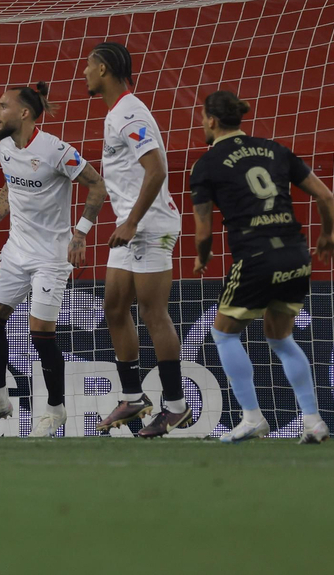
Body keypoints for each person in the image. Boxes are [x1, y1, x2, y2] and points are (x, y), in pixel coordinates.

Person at [189, 91, 334, 444]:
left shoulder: (206, 165)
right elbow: (326, 195)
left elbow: (204, 231)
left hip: (256, 256)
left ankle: (252, 417)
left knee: (224, 333)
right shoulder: (275, 149)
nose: (202, 123)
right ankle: (314, 421)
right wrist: (328, 235)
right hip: (295, 253)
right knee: (280, 337)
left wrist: (202, 256)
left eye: (203, 118)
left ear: (212, 120)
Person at [0, 84, 108, 438]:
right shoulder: (4, 146)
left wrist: (80, 234)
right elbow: (10, 188)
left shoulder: (56, 151)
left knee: (40, 335)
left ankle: (55, 410)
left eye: (2, 106)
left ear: (24, 113)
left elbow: (97, 185)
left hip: (50, 257)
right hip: (16, 250)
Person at [85, 42, 187, 437]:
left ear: (104, 69)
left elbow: (156, 169)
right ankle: (132, 397)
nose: (84, 73)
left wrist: (131, 222)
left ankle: (175, 406)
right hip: (131, 225)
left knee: (152, 312)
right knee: (114, 306)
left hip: (150, 225)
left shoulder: (130, 112)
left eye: (89, 66)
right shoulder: (117, 113)